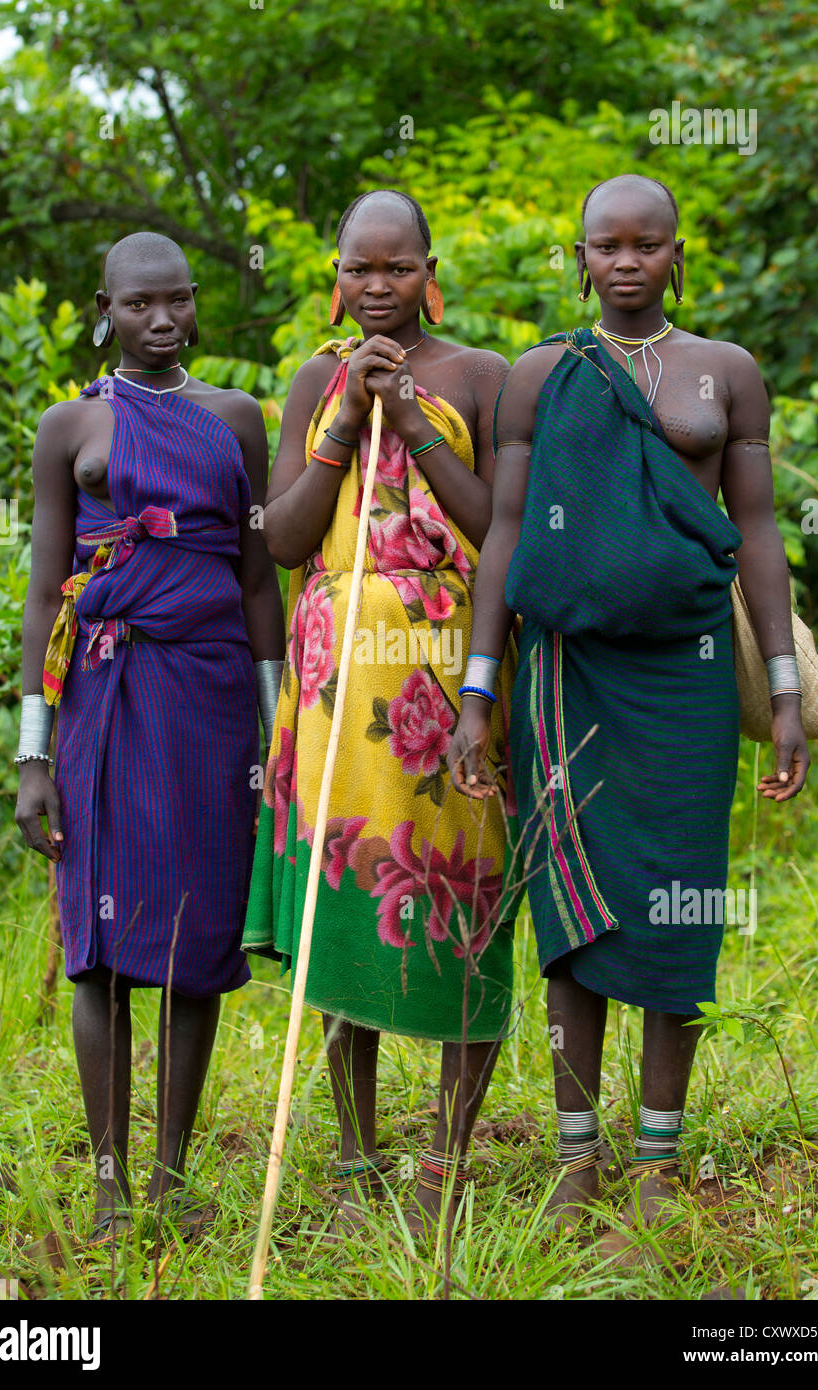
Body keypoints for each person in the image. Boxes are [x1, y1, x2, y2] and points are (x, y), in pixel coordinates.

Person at [449, 174, 809, 1245]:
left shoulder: (725, 373)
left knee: (679, 902)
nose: (624, 262)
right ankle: (574, 1151)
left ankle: (657, 1154)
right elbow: (506, 533)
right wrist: (479, 688)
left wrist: (783, 691)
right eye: (605, 245)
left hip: (691, 672)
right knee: (570, 906)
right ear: (579, 257)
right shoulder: (540, 376)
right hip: (567, 671)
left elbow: (754, 536)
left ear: (676, 257)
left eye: (645, 245)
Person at [243, 189, 522, 1232]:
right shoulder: (315, 377)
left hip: (451, 680)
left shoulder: (480, 377)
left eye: (396, 269)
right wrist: (346, 421)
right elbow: (280, 538)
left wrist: (410, 418)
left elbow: (501, 527)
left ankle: (447, 1156)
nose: (376, 288)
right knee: (342, 898)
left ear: (428, 270)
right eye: (359, 269)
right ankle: (358, 1158)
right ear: (335, 276)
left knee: (467, 891)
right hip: (332, 692)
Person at [15, 232, 285, 1240]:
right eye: (140, 306)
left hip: (211, 698)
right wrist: (32, 753)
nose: (161, 321)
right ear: (107, 308)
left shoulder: (234, 420)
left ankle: (171, 1171)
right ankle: (108, 1180)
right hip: (99, 692)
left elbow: (258, 580)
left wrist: (277, 723)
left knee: (194, 931)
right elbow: (46, 591)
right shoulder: (68, 425)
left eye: (177, 302)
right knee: (96, 945)